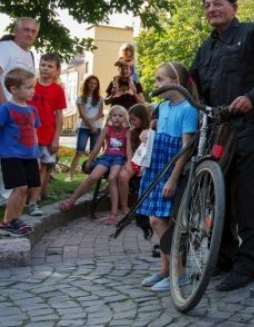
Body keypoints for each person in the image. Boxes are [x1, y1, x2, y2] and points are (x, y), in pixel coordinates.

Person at [190, 0, 254, 292]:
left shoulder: (253, 34)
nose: (211, 9)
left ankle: (247, 266)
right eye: (206, 5)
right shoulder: (206, 48)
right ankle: (224, 259)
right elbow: (193, 85)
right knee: (220, 198)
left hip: (251, 129)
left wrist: (252, 97)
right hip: (219, 132)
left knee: (248, 200)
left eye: (217, 4)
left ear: (234, 7)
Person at [138, 62, 198, 292]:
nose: (156, 84)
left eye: (160, 80)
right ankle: (165, 269)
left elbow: (185, 148)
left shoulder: (188, 108)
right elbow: (158, 133)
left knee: (158, 220)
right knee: (156, 218)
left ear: (176, 80)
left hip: (171, 168)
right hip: (157, 165)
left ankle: (179, 271)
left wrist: (173, 178)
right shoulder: (163, 107)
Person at [59, 106, 130, 225]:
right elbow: (97, 146)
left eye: (120, 116)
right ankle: (71, 201)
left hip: (119, 159)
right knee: (92, 177)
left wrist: (128, 162)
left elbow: (128, 149)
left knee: (112, 178)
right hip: (107, 158)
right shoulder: (107, 129)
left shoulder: (127, 131)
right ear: (110, 117)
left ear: (124, 118)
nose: (117, 118)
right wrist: (89, 160)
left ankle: (113, 214)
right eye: (114, 115)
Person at [0, 17, 39, 202]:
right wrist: (3, 104)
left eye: (33, 31)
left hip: (21, 113)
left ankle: (8, 198)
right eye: (25, 29)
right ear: (16, 31)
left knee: (13, 153)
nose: (29, 33)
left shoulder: (30, 54)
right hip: (6, 111)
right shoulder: (6, 47)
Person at [0, 69, 41, 237]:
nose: (33, 90)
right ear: (14, 89)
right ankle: (6, 222)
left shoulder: (32, 110)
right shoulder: (6, 109)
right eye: (29, 87)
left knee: (26, 189)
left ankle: (16, 219)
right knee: (20, 187)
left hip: (30, 155)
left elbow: (34, 132)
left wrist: (37, 155)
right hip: (11, 155)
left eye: (33, 87)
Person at [27, 53, 67, 217]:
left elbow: (59, 115)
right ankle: (20, 198)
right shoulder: (30, 85)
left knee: (42, 168)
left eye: (50, 66)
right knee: (26, 168)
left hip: (46, 136)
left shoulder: (58, 90)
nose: (45, 68)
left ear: (57, 70)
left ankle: (33, 203)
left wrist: (56, 138)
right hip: (27, 135)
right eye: (43, 65)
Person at [116, 104, 151, 216]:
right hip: (133, 162)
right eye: (130, 119)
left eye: (134, 119)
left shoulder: (150, 132)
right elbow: (129, 150)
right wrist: (129, 163)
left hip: (146, 163)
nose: (132, 122)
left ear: (142, 118)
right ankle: (125, 207)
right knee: (122, 176)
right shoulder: (131, 132)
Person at [68, 75, 104, 181]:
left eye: (95, 83)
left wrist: (93, 123)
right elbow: (82, 115)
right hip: (84, 127)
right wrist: (91, 124)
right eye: (90, 83)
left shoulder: (100, 99)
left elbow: (101, 113)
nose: (92, 85)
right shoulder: (81, 98)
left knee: (94, 152)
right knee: (79, 151)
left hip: (96, 128)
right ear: (86, 84)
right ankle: (71, 176)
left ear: (97, 86)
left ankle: (92, 176)